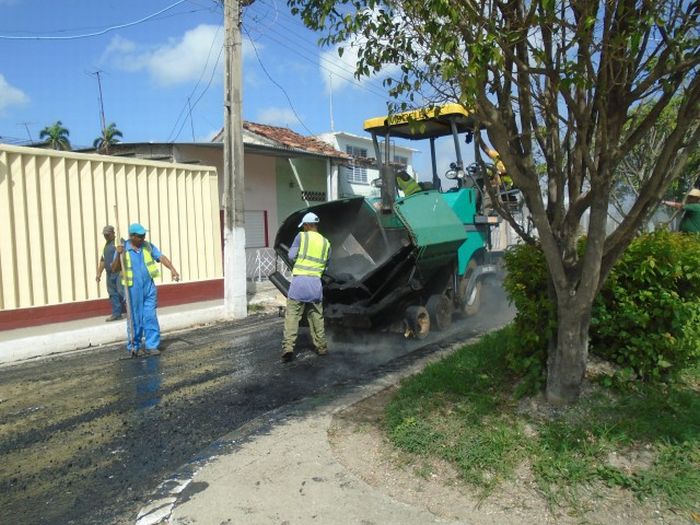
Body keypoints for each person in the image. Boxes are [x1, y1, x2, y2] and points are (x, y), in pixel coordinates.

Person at [112, 223, 180, 357]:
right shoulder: (123, 249)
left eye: (144, 235)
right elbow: (114, 268)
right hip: (132, 289)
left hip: (148, 287)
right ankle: (134, 346)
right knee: (135, 317)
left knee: (150, 316)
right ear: (132, 236)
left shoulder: (147, 246)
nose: (143, 238)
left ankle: (152, 345)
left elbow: (161, 257)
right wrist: (119, 254)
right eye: (140, 236)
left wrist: (172, 269)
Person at [282, 212, 331, 362]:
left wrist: (299, 260)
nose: (303, 228)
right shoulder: (326, 242)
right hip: (315, 284)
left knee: (292, 316)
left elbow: (291, 256)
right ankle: (321, 347)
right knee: (316, 316)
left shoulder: (301, 236)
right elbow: (326, 266)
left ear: (307, 225)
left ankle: (288, 348)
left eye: (303, 226)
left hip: (299, 283)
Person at [96, 225, 125, 322]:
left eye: (108, 235)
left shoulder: (118, 244)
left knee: (122, 292)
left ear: (113, 234)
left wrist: (122, 271)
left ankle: (132, 310)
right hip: (109, 273)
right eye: (105, 235)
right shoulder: (106, 246)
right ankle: (117, 314)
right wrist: (99, 273)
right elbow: (103, 261)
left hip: (118, 272)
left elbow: (124, 258)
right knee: (112, 293)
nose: (106, 237)